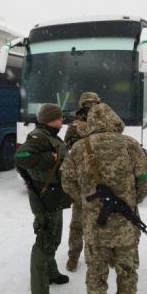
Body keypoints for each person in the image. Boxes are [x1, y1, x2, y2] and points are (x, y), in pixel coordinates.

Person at [61, 103, 147, 294]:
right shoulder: (130, 144)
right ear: (114, 119)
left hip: (95, 229)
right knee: (127, 275)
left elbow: (67, 181)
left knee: (96, 278)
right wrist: (132, 199)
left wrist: (85, 202)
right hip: (126, 229)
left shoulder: (79, 148)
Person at [14, 103, 70, 294]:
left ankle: (52, 272)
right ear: (50, 119)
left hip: (55, 196)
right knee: (44, 242)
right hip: (45, 197)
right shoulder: (39, 136)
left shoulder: (51, 135)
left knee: (53, 239)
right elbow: (21, 157)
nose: (62, 121)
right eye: (59, 118)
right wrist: (48, 159)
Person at [63, 92, 101, 272]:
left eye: (94, 104)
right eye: (87, 104)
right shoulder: (74, 127)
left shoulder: (106, 124)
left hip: (101, 182)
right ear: (81, 106)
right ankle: (73, 256)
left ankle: (98, 256)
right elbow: (67, 153)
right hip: (81, 181)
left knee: (101, 223)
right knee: (77, 223)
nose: (90, 107)